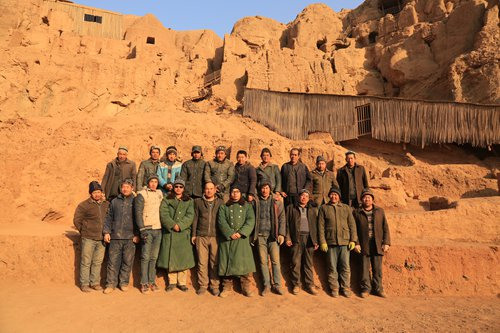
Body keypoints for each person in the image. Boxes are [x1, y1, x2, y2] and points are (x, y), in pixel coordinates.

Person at [318, 186, 359, 298]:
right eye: (332, 194)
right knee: (332, 266)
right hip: (330, 242)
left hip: (345, 243)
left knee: (345, 266)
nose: (333, 196)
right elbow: (320, 227)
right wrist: (322, 241)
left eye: (336, 194)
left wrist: (353, 240)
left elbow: (352, 225)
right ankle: (334, 288)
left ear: (339, 196)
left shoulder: (346, 208)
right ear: (329, 196)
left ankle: (345, 288)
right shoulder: (324, 208)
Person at [157, 179, 195, 292]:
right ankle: (172, 282)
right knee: (171, 257)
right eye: (176, 186)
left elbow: (190, 215)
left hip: (183, 233)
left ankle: (182, 282)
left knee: (183, 258)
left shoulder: (189, 201)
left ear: (183, 188)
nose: (178, 188)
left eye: (180, 187)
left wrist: (181, 225)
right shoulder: (166, 199)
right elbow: (163, 214)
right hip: (170, 232)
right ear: (173, 187)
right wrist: (173, 225)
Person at [217, 187, 256, 297]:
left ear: (241, 193)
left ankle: (246, 288)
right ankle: (226, 288)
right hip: (228, 239)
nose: (235, 194)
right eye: (233, 192)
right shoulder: (224, 207)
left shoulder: (247, 206)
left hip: (242, 239)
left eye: (237, 191)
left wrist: (241, 233)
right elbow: (221, 221)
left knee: (244, 264)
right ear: (230, 194)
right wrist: (229, 233)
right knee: (226, 264)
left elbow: (250, 220)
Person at [103, 179, 139, 294]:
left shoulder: (136, 201)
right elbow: (108, 217)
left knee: (127, 262)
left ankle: (123, 283)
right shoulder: (114, 201)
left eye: (128, 187)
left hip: (130, 237)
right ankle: (110, 284)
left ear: (132, 188)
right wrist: (107, 232)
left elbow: (139, 219)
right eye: (123, 187)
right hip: (115, 237)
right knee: (112, 262)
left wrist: (137, 234)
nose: (125, 189)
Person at [353, 188, 391, 298]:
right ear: (361, 200)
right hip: (364, 243)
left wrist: (386, 242)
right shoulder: (356, 212)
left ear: (372, 199)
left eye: (369, 197)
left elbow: (385, 227)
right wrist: (356, 243)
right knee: (364, 268)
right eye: (365, 197)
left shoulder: (380, 211)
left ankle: (378, 289)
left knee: (377, 268)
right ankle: (366, 289)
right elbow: (354, 229)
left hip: (377, 243)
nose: (367, 199)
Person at [73, 181, 110, 292]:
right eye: (94, 192)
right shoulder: (84, 205)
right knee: (86, 262)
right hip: (88, 238)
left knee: (97, 262)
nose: (97, 194)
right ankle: (84, 284)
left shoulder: (106, 204)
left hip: (101, 239)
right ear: (91, 193)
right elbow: (77, 220)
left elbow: (109, 219)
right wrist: (84, 231)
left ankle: (95, 283)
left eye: (99, 192)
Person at [252, 181, 286, 296]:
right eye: (262, 188)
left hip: (273, 236)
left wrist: (281, 234)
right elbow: (251, 218)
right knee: (263, 261)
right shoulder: (255, 202)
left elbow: (282, 218)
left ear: (270, 189)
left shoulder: (277, 202)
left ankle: (277, 285)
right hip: (260, 235)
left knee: (275, 261)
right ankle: (266, 285)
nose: (264, 190)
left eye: (266, 188)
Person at [192, 182, 224, 296]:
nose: (209, 191)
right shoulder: (198, 202)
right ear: (204, 190)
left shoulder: (220, 202)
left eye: (211, 189)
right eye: (207, 189)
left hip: (216, 236)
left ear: (215, 190)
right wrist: (194, 234)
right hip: (201, 235)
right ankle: (203, 285)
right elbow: (195, 218)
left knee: (214, 262)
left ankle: (214, 285)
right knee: (202, 262)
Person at [285, 189, 319, 295]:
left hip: (309, 239)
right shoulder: (291, 208)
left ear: (309, 199)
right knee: (295, 262)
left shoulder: (313, 210)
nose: (303, 198)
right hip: (296, 238)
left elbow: (316, 226)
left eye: (306, 196)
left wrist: (316, 240)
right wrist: (288, 237)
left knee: (308, 263)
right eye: (302, 195)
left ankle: (310, 285)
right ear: (298, 197)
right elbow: (286, 224)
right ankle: (296, 285)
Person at [134, 174, 164, 294]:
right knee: (145, 257)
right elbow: (138, 213)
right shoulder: (142, 194)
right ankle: (144, 283)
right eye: (151, 181)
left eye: (155, 182)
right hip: (147, 229)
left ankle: (152, 281)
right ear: (148, 183)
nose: (153, 184)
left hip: (158, 229)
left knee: (154, 257)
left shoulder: (159, 193)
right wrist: (141, 229)